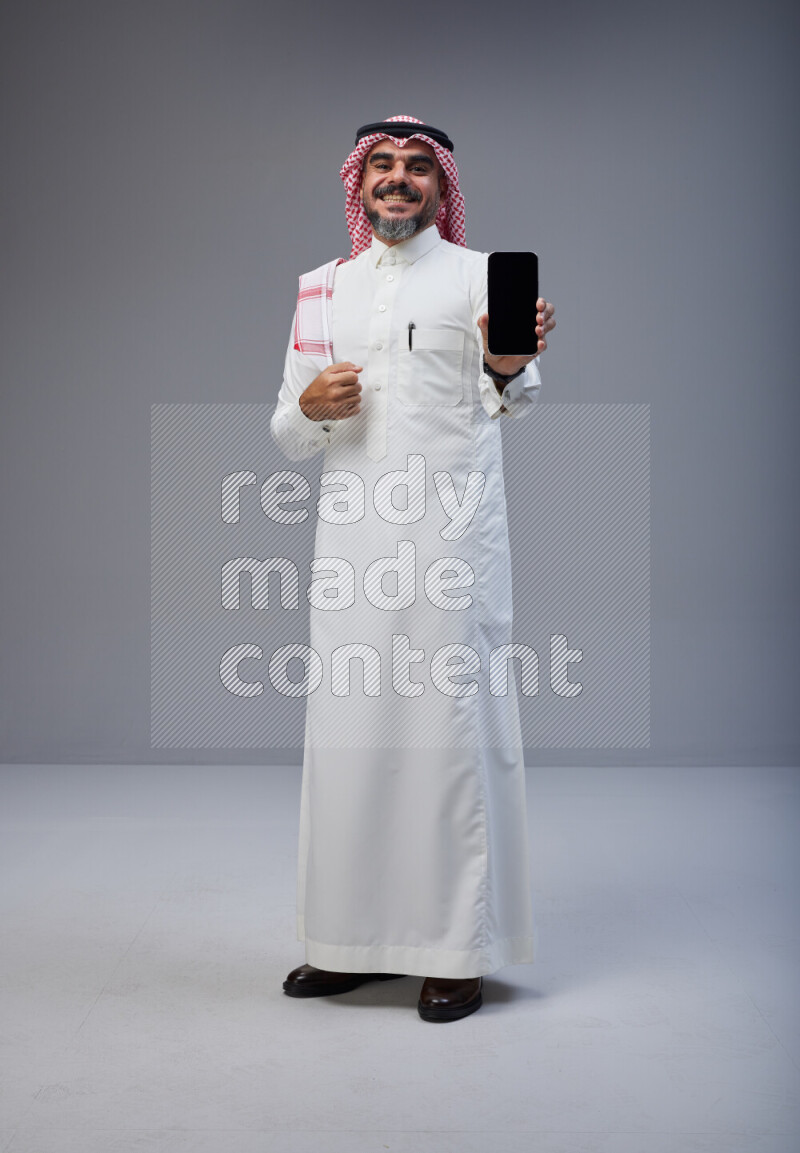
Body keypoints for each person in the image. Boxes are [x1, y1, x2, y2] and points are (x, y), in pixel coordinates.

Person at [270, 115, 556, 1022]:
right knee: (351, 740)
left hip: (450, 548)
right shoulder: (322, 288)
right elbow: (287, 429)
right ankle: (346, 943)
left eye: (417, 168)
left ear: (441, 187)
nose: (398, 179)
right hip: (352, 551)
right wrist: (311, 407)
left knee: (445, 741)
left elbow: (517, 399)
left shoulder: (476, 278)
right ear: (359, 185)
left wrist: (508, 363)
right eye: (383, 166)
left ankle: (454, 951)